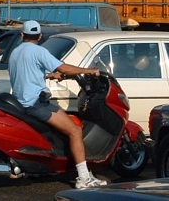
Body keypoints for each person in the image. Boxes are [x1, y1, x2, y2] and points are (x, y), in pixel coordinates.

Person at [8, 20, 107, 189]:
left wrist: (48, 76)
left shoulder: (15, 52)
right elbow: (64, 68)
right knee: (75, 130)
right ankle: (83, 178)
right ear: (39, 36)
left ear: (22, 35)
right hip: (36, 105)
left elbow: (27, 73)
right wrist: (89, 71)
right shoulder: (39, 51)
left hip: (21, 103)